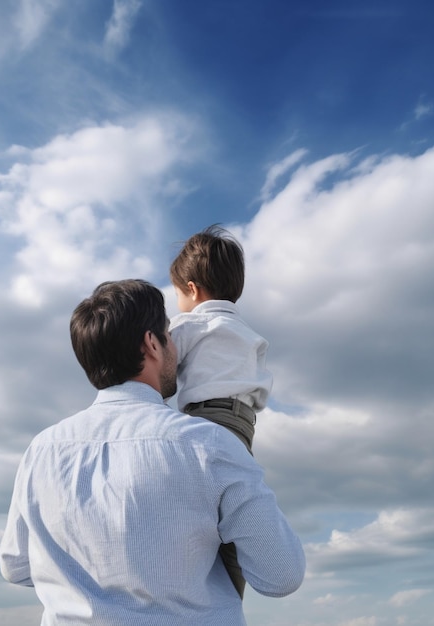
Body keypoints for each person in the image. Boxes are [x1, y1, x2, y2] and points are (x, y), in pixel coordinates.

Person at [0, 279, 304, 625]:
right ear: (152, 344)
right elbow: (281, 576)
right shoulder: (211, 445)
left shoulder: (41, 451)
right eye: (169, 334)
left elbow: (16, 567)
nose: (175, 345)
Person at [169, 225, 273, 596]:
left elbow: (164, 370)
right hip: (244, 424)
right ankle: (229, 595)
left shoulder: (189, 324)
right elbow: (260, 386)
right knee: (232, 507)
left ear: (192, 290)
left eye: (178, 293)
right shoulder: (247, 331)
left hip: (205, 419)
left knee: (192, 507)